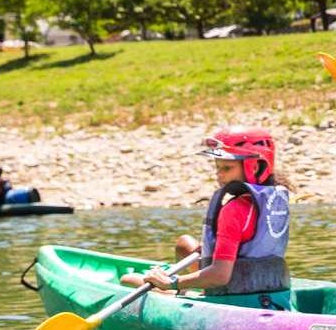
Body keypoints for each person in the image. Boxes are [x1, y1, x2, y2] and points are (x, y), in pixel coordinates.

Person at [121, 129, 293, 310]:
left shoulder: (234, 210)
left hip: (234, 298)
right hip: (272, 289)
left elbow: (220, 276)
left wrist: (171, 282)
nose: (219, 175)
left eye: (227, 168)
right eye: (217, 167)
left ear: (254, 167)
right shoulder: (275, 200)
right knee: (185, 245)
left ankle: (186, 294)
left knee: (128, 280)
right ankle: (194, 292)